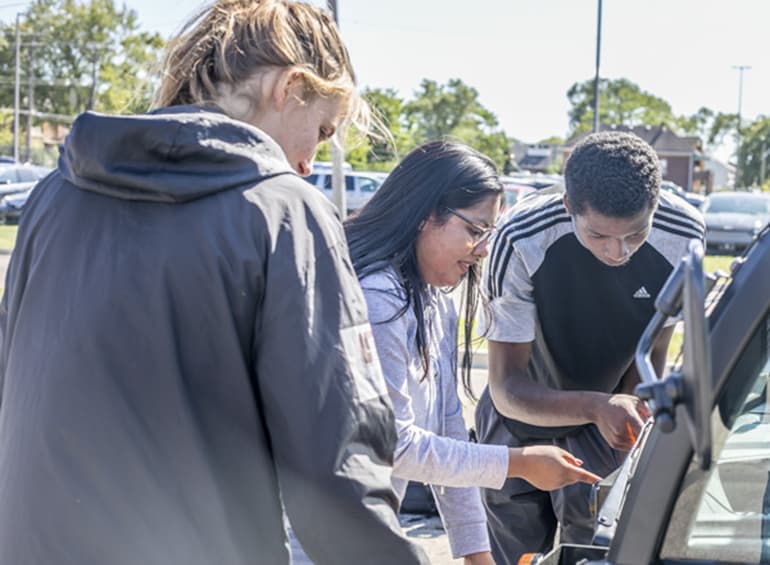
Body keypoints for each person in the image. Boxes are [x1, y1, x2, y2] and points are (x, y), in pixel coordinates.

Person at [0, 1, 428, 564]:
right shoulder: (285, 211)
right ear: (291, 87)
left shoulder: (53, 196)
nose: (308, 163)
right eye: (322, 131)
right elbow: (335, 465)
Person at [344, 140, 601, 565]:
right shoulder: (378, 299)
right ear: (427, 215)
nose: (483, 248)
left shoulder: (430, 298)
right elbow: (392, 444)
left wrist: (477, 555)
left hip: (363, 534)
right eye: (475, 230)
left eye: (488, 234)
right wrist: (517, 463)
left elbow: (446, 433)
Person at [475, 131, 706, 564]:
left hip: (612, 417)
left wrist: (620, 414)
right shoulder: (521, 235)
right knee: (518, 552)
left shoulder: (685, 233)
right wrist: (596, 405)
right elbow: (507, 385)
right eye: (599, 235)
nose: (618, 251)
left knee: (600, 544)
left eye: (636, 234)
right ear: (569, 207)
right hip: (521, 414)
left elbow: (653, 356)